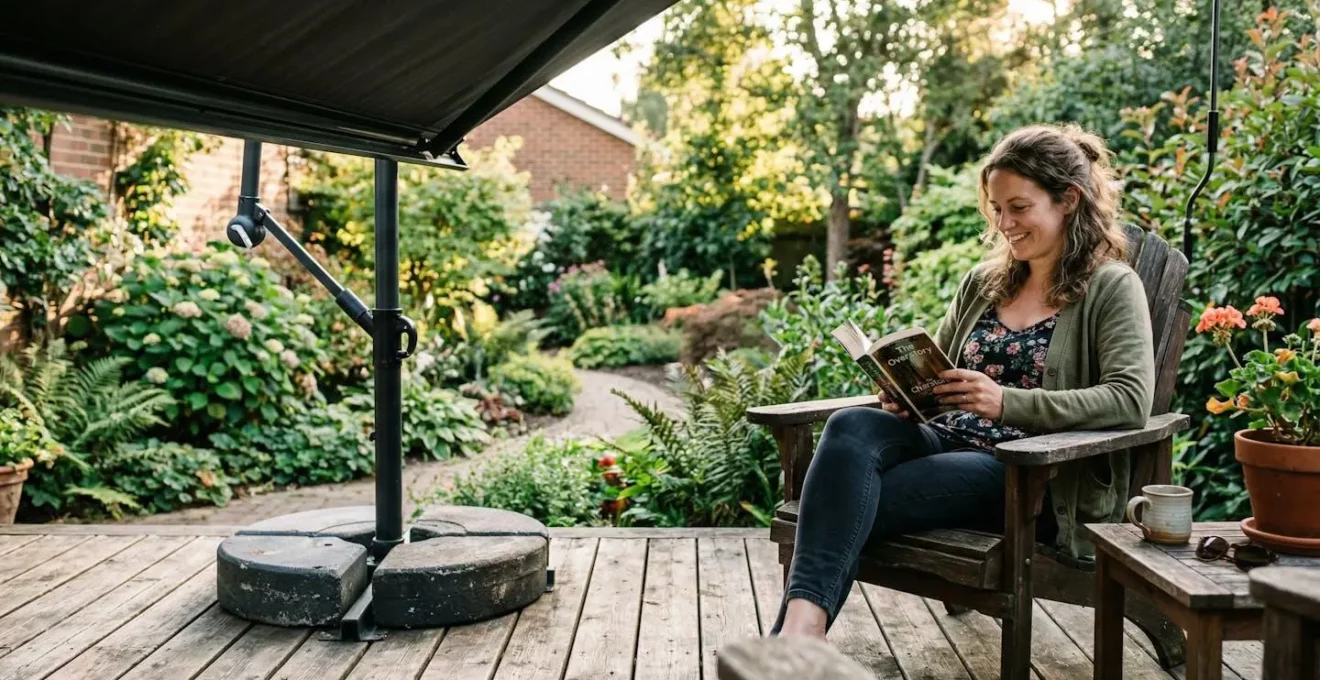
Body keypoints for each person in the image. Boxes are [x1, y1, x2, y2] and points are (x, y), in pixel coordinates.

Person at [773, 124, 1155, 639]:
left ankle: (793, 643)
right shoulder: (984, 282)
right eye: (997, 209)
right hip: (943, 439)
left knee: (837, 502)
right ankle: (801, 639)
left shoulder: (1110, 286)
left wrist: (1006, 403)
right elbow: (946, 372)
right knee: (851, 427)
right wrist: (907, 394)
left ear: (1068, 200)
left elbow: (1130, 399)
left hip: (1025, 472)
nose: (1004, 224)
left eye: (1018, 207)